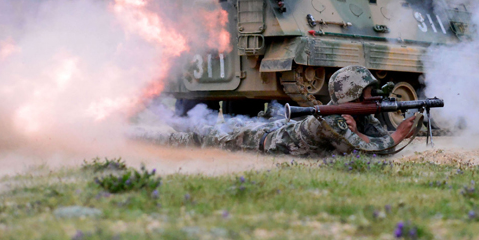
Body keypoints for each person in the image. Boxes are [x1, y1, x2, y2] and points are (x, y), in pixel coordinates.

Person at [168, 66, 419, 157]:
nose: (372, 96)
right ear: (353, 94)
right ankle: (154, 133)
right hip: (256, 141)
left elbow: (376, 146)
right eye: (367, 91)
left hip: (277, 130)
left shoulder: (358, 113)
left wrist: (380, 136)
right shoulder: (329, 119)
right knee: (200, 136)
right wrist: (397, 135)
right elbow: (361, 149)